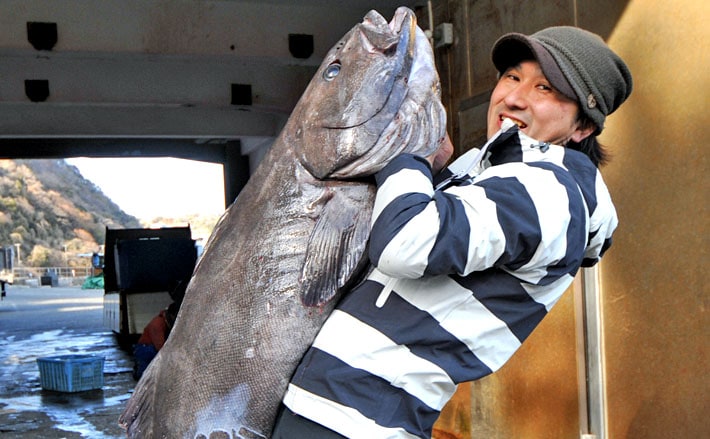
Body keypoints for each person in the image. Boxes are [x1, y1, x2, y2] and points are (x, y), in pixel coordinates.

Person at [272, 25, 632, 438]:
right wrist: (435, 168)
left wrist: (408, 153)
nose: (513, 96)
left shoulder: (549, 192)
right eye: (512, 76)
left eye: (545, 89)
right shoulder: (496, 170)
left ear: (582, 127)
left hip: (354, 422)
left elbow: (403, 244)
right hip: (333, 410)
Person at [132, 301, 180, 380]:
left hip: (150, 348)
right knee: (144, 376)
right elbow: (160, 346)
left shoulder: (165, 322)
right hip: (146, 349)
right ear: (172, 315)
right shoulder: (157, 324)